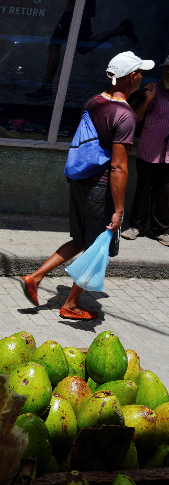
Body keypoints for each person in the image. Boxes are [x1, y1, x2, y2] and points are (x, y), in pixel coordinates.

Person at [21, 52, 152, 319]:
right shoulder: (123, 115)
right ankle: (70, 305)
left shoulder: (95, 101)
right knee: (97, 248)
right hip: (101, 189)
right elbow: (118, 167)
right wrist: (118, 210)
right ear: (130, 77)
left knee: (80, 240)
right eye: (139, 71)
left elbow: (112, 128)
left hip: (82, 184)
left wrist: (144, 103)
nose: (142, 75)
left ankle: (35, 277)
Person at [25, 0, 137, 99]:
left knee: (55, 44)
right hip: (81, 9)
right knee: (83, 47)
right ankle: (122, 29)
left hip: (76, 9)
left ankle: (47, 86)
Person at [121, 55, 169, 246]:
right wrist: (148, 100)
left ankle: (160, 229)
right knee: (143, 189)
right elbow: (136, 117)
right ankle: (136, 226)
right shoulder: (153, 90)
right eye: (166, 68)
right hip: (150, 148)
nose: (167, 72)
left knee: (165, 192)